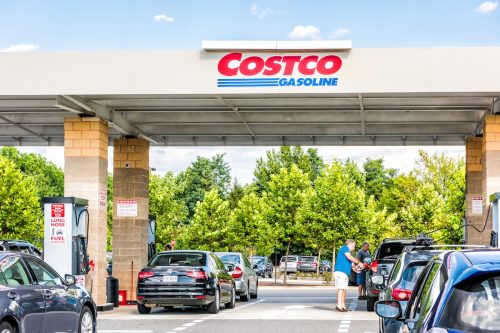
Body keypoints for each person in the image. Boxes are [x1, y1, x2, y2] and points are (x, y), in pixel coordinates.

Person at [334, 239, 363, 312]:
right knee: (341, 288)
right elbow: (350, 258)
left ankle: (343, 306)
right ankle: (339, 305)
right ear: (349, 244)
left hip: (345, 273)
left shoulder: (348, 253)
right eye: (353, 246)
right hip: (340, 271)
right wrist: (359, 263)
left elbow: (353, 266)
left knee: (343, 289)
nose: (354, 248)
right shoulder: (345, 248)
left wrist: (357, 271)